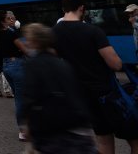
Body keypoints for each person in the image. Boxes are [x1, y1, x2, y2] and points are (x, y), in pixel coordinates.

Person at [54, 0, 138, 154]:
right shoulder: (92, 31)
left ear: (63, 9)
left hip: (83, 94)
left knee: (103, 139)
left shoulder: (54, 33)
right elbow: (115, 64)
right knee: (134, 137)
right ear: (81, 8)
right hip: (107, 94)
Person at [21, 22, 96, 154]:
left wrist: (27, 126)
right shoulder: (63, 64)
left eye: (28, 40)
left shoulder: (33, 64)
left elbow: (30, 98)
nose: (26, 43)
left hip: (53, 130)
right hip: (79, 125)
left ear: (36, 42)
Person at [0, 10, 28, 142]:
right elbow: (25, 49)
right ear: (3, 21)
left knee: (19, 97)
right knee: (21, 99)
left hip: (6, 67)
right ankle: (23, 131)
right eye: (8, 19)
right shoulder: (10, 33)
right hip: (17, 65)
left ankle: (26, 129)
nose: (11, 20)